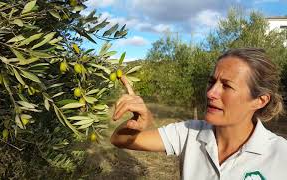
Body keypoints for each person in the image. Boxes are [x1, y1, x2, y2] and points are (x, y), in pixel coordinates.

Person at [110, 48, 287, 180]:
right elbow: (118, 140)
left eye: (227, 86)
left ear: (260, 100)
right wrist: (136, 124)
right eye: (212, 82)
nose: (211, 93)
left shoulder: (280, 155)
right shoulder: (189, 132)